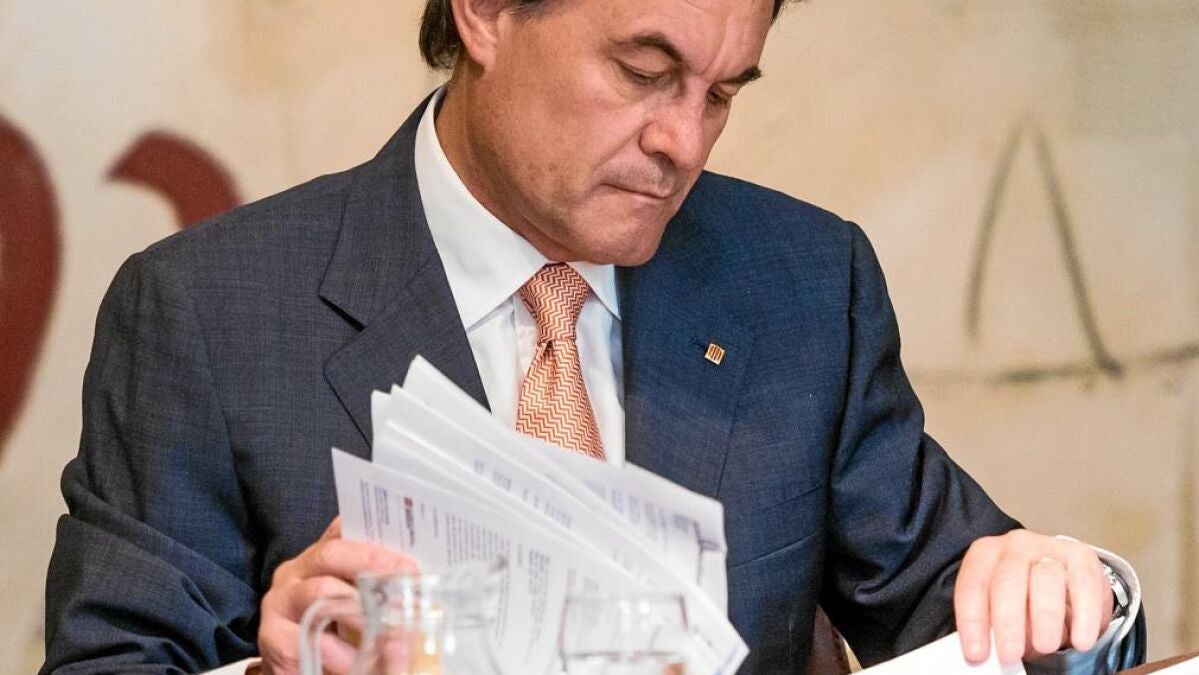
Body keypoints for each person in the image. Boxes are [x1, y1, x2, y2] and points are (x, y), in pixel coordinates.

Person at [42, 0, 1146, 673]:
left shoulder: (804, 283)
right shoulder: (208, 311)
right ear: (484, 14)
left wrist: (1068, 592)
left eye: (721, 92)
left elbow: (963, 601)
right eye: (643, 72)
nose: (683, 142)